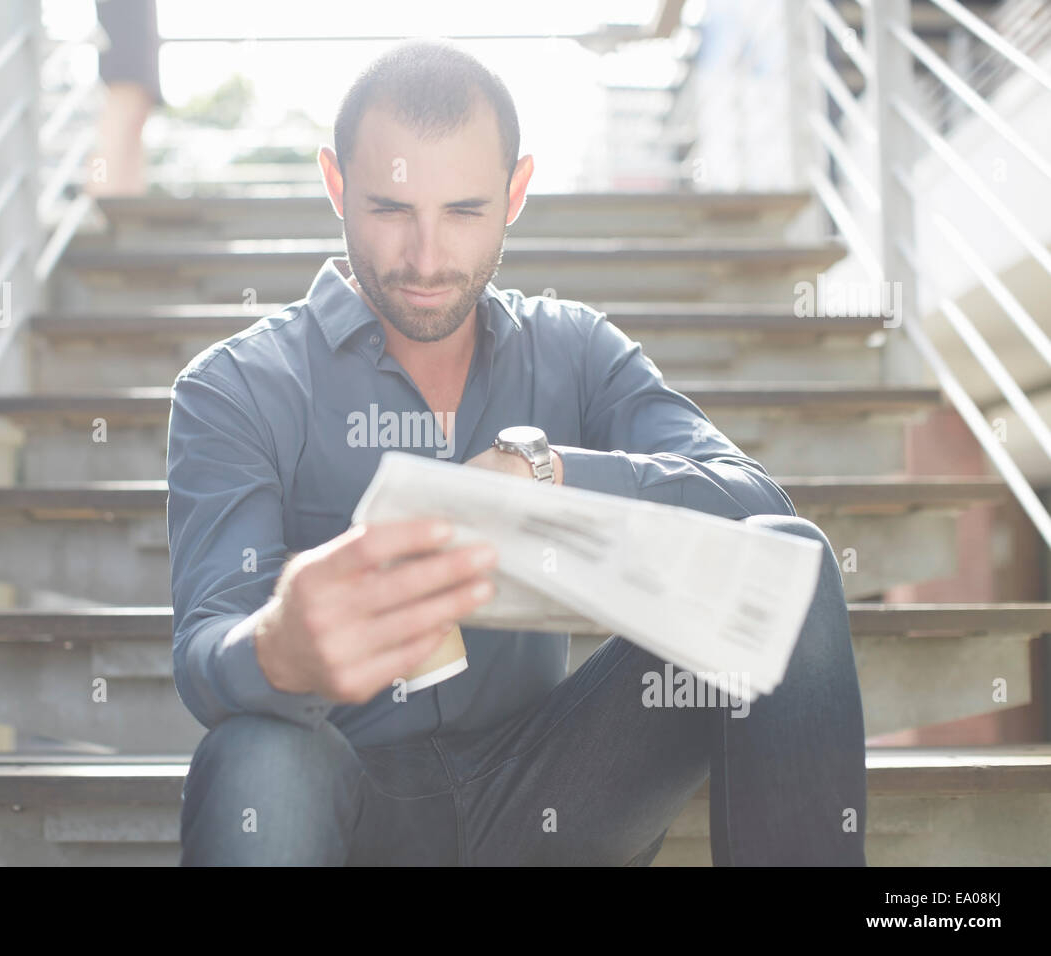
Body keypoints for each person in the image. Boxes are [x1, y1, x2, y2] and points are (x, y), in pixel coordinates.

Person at [166, 38, 867, 865]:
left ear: (516, 192)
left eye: (464, 211)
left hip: (557, 789)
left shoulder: (575, 350)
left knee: (790, 562)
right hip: (346, 798)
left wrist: (550, 473)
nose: (426, 259)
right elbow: (207, 641)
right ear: (335, 185)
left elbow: (754, 501)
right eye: (390, 209)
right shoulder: (236, 386)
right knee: (252, 751)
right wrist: (280, 639)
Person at [87, 0, 163, 197]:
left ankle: (127, 194)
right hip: (122, 30)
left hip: (137, 30)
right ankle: (99, 188)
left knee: (136, 110)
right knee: (117, 117)